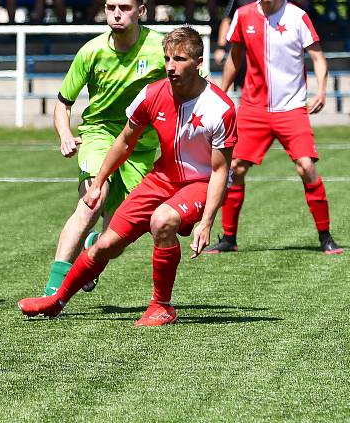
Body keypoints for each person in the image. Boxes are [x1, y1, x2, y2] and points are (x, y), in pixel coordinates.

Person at [19, 27, 237, 326]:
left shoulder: (220, 108)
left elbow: (219, 170)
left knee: (162, 221)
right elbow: (123, 141)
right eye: (167, 58)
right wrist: (97, 184)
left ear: (199, 62)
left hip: (201, 183)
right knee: (106, 244)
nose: (171, 66)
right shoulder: (151, 94)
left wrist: (207, 221)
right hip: (163, 177)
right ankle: (58, 300)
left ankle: (162, 306)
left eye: (180, 59)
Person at [206, 0, 342, 255]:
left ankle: (325, 236)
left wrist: (320, 90)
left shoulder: (297, 16)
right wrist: (221, 92)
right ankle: (229, 238)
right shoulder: (243, 15)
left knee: (306, 167)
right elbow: (235, 57)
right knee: (236, 168)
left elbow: (318, 57)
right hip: (254, 109)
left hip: (292, 109)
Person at [40, 0, 165, 298]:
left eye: (124, 8)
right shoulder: (91, 52)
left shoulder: (161, 48)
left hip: (140, 144)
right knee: (91, 201)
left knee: (124, 230)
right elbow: (62, 104)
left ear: (141, 10)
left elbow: (195, 82)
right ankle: (54, 288)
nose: (117, 14)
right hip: (99, 135)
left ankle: (95, 245)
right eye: (111, 8)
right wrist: (65, 134)